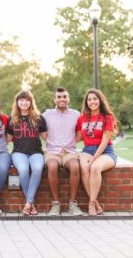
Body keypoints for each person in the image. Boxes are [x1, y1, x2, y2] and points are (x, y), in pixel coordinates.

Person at [42, 87, 83, 216]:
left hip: (69, 151)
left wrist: (71, 142)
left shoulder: (76, 114)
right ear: (54, 100)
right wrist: (50, 140)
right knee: (52, 167)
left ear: (68, 99)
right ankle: (56, 204)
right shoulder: (47, 114)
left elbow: (80, 133)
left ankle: (72, 204)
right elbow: (41, 131)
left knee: (76, 167)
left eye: (64, 96)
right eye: (59, 97)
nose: (62, 99)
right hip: (52, 151)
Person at [76, 88, 118, 216]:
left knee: (94, 167)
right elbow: (77, 138)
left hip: (105, 151)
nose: (92, 101)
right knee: (84, 167)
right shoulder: (82, 118)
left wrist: (94, 158)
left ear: (100, 100)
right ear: (86, 102)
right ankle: (96, 204)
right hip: (87, 149)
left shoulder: (107, 117)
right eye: (89, 99)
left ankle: (91, 203)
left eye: (95, 99)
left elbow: (105, 141)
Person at [7, 90, 46, 216]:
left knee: (37, 168)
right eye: (21, 100)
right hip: (19, 152)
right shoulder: (12, 119)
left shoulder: (38, 118)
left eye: (27, 100)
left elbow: (47, 137)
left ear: (31, 102)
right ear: (17, 102)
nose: (24, 102)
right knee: (23, 170)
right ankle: (31, 204)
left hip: (36, 152)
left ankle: (28, 204)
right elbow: (7, 139)